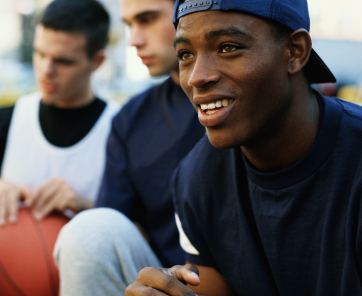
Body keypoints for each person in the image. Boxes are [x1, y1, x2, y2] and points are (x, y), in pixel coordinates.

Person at [125, 0, 362, 295]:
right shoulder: (195, 177)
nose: (198, 76)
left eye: (228, 47)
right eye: (185, 54)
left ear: (295, 52)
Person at [52, 0, 205, 295]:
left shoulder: (252, 97)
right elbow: (111, 227)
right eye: (128, 25)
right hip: (164, 282)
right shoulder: (130, 120)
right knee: (90, 232)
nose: (133, 40)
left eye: (147, 19)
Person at [0, 0, 120, 225]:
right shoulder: (8, 119)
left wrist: (87, 208)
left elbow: (147, 233)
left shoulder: (124, 129)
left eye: (63, 61)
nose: (46, 70)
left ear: (97, 61)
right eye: (40, 53)